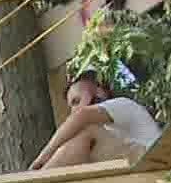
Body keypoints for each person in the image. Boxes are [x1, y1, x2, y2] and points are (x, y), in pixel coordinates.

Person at [28, 70, 163, 170]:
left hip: (154, 161)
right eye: (71, 107)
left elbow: (81, 117)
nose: (74, 111)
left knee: (86, 131)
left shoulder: (122, 104)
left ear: (99, 91)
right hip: (136, 170)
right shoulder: (109, 132)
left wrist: (42, 159)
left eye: (77, 101)